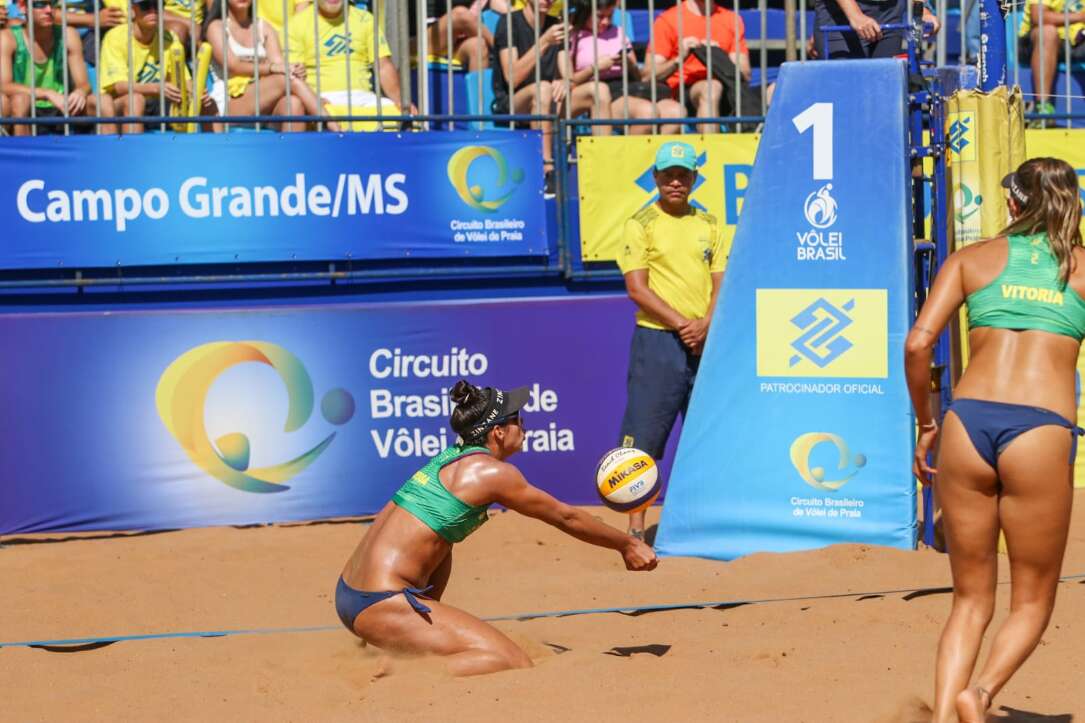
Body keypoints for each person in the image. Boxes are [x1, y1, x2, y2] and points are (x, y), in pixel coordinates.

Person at [905, 157, 1085, 723]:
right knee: (1032, 599)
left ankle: (941, 719)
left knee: (970, 598)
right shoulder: (1079, 268)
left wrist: (926, 423)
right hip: (1040, 426)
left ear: (1013, 204)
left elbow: (916, 346)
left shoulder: (973, 259)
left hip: (968, 423)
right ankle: (978, 696)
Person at [336, 380, 657, 676]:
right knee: (510, 659)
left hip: (349, 593)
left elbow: (390, 518)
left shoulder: (447, 460)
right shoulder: (491, 473)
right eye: (518, 419)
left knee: (444, 543)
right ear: (499, 432)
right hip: (382, 601)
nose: (524, 425)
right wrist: (626, 545)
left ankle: (400, 645)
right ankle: (402, 672)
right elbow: (566, 517)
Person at [616, 141, 727, 540]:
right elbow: (637, 289)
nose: (676, 182)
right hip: (658, 342)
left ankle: (712, 522)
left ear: (695, 179)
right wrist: (686, 324)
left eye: (684, 174)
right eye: (669, 175)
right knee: (643, 437)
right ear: (656, 178)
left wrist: (707, 324)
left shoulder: (711, 224)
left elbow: (721, 283)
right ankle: (635, 528)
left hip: (705, 343)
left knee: (712, 434)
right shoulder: (640, 223)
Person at [492, 0, 611, 194]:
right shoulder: (509, 22)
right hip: (514, 103)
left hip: (548, 100)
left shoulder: (555, 25)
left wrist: (566, 81)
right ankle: (547, 170)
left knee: (599, 90)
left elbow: (568, 76)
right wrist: (544, 42)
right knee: (543, 89)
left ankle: (603, 167)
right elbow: (512, 78)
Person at [287, 0, 416, 131]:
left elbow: (383, 66)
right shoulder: (296, 25)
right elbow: (296, 76)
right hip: (324, 99)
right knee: (326, 115)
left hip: (364, 98)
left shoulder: (365, 19)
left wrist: (401, 102)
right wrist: (313, 100)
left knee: (404, 118)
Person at [204, 0, 330, 131]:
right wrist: (271, 68)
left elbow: (281, 65)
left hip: (265, 103)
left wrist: (294, 70)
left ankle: (292, 151)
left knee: (293, 104)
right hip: (231, 102)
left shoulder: (264, 27)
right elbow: (234, 66)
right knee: (284, 79)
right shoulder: (216, 27)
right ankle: (331, 125)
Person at [565, 0, 683, 135]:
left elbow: (640, 77)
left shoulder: (619, 32)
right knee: (647, 113)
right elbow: (570, 81)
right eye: (599, 16)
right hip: (598, 93)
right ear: (586, 13)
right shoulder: (573, 36)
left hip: (627, 87)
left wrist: (628, 63)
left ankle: (652, 154)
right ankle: (626, 155)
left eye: (610, 16)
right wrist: (595, 68)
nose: (605, 22)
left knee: (675, 112)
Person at [0, 0, 116, 135]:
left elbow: (84, 84)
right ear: (23, 8)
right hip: (28, 106)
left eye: (53, 4)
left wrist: (80, 92)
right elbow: (4, 86)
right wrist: (47, 94)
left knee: (104, 102)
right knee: (20, 101)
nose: (49, 10)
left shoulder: (68, 35)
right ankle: (24, 154)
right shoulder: (8, 37)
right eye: (40, 5)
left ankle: (111, 153)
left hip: (63, 105)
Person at [99, 0, 215, 133]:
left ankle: (215, 151)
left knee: (208, 103)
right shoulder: (115, 37)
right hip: (122, 104)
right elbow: (119, 87)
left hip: (159, 103)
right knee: (135, 100)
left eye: (157, 6)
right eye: (145, 6)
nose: (153, 11)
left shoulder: (169, 37)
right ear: (132, 10)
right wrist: (156, 88)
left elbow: (183, 79)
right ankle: (132, 152)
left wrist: (197, 92)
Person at [648, 0, 751, 134]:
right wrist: (680, 58)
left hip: (728, 90)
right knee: (711, 87)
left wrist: (718, 55)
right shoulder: (668, 20)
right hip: (683, 91)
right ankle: (711, 150)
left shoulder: (732, 19)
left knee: (772, 90)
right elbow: (649, 74)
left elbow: (745, 73)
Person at [1018, 0, 1085, 125]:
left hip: (1076, 38)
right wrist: (1080, 17)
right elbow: (1038, 16)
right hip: (1037, 39)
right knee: (1048, 32)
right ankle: (1043, 110)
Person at [815, 0, 939, 60]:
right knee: (844, 90)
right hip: (841, 14)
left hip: (891, 12)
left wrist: (924, 11)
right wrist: (855, 14)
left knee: (886, 89)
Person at [409, 0, 492, 71]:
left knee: (478, 45)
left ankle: (477, 89)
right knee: (460, 14)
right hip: (418, 42)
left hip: (453, 43)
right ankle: (501, 47)